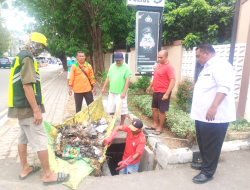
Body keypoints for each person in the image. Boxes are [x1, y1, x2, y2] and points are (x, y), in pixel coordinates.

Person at [7, 32, 70, 185]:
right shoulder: (27, 58)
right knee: (40, 139)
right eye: (41, 47)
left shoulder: (20, 55)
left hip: (19, 107)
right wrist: (36, 110)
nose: (41, 51)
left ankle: (24, 169)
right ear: (35, 44)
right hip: (28, 107)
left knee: (23, 137)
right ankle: (48, 175)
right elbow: (27, 85)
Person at [190, 43, 236, 184]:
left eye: (199, 56)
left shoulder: (220, 65)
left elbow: (224, 87)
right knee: (204, 143)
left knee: (211, 145)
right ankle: (205, 164)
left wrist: (214, 106)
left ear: (207, 52)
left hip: (215, 116)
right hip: (202, 115)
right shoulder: (207, 67)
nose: (197, 59)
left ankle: (208, 172)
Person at [146, 50, 176, 135]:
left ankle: (160, 127)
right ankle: (155, 125)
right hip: (156, 91)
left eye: (161, 57)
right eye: (158, 57)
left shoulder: (169, 67)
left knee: (162, 110)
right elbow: (155, 77)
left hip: (164, 92)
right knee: (154, 108)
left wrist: (167, 94)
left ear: (166, 57)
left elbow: (173, 80)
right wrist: (150, 86)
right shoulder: (158, 66)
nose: (159, 59)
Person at [100, 52, 132, 125]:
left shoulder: (126, 67)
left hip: (121, 93)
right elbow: (108, 77)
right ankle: (111, 121)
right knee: (111, 106)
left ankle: (121, 123)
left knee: (122, 109)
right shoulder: (112, 66)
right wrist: (103, 88)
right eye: (116, 60)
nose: (118, 62)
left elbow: (127, 81)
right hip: (112, 91)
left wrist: (124, 92)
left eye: (119, 60)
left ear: (123, 59)